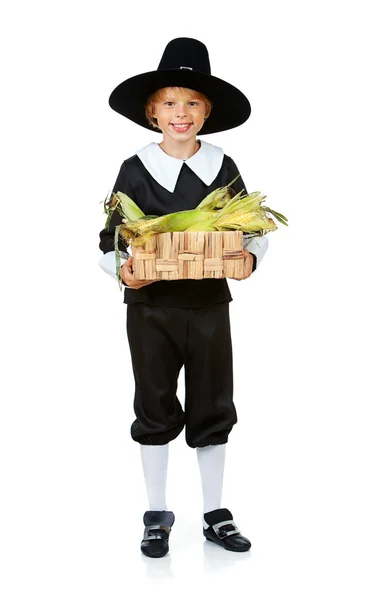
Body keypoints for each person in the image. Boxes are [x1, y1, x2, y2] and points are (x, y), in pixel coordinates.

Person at [99, 37, 268, 558]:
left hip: (211, 307)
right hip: (150, 311)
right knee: (153, 403)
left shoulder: (222, 165)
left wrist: (252, 258)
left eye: (193, 102)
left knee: (213, 404)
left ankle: (214, 511)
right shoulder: (134, 168)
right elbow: (110, 241)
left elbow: (251, 230)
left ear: (207, 111)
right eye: (170, 102)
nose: (181, 113)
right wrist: (124, 274)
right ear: (152, 113)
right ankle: (156, 511)